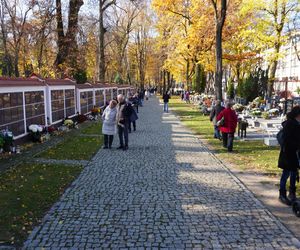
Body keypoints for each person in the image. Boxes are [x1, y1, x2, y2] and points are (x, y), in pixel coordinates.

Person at [278, 106, 300, 205]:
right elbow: (287, 140)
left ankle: (292, 193)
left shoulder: (297, 124)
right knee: (286, 173)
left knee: (294, 173)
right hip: (288, 153)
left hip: (295, 153)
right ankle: (282, 194)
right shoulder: (290, 124)